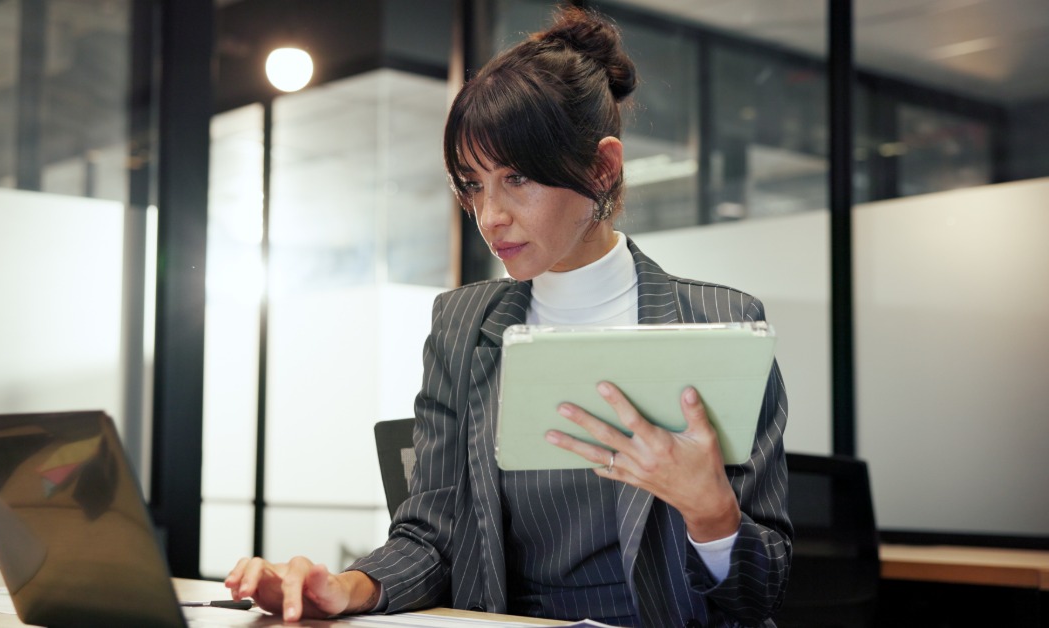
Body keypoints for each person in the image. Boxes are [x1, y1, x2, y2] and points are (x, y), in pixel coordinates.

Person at [225, 7, 791, 627]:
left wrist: (711, 516)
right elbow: (429, 536)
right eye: (471, 184)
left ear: (603, 168)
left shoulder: (716, 322)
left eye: (516, 177)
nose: (489, 215)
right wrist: (345, 586)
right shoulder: (462, 326)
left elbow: (761, 591)